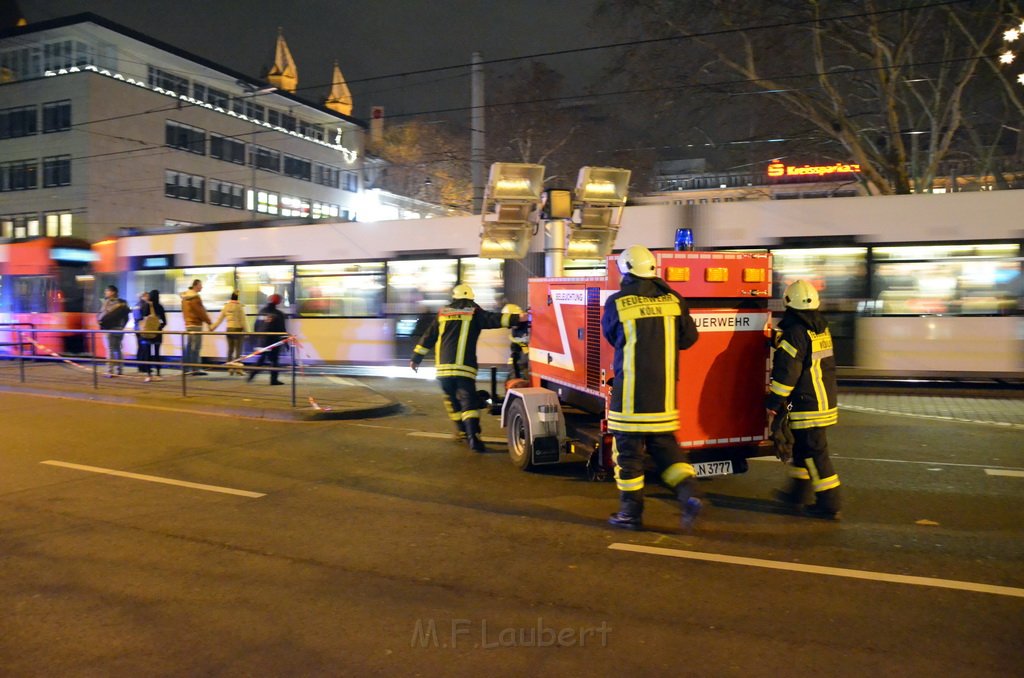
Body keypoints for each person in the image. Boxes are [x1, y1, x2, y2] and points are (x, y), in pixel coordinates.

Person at [602, 245, 700, 531]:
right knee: (666, 449)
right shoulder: (674, 300)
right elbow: (689, 338)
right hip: (664, 395)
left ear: (626, 271)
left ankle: (630, 514)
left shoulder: (618, 302)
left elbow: (611, 336)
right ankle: (689, 494)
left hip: (630, 393)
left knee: (628, 455)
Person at [410, 284, 522, 453]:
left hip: (443, 370)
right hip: (464, 368)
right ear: (471, 297)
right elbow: (494, 319)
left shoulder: (443, 313)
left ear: (454, 297)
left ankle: (462, 431)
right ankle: (473, 437)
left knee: (452, 401)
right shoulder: (473, 311)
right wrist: (518, 318)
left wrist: (415, 359)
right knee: (468, 402)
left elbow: (428, 336)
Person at [765, 279, 841, 520]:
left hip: (807, 404)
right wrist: (778, 339)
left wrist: (774, 401)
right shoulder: (819, 327)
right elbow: (805, 352)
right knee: (802, 450)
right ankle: (796, 494)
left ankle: (828, 503)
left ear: (788, 302)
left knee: (816, 455)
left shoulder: (795, 332)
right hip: (823, 401)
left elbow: (788, 372)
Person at [247, 293, 287, 385]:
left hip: (262, 340)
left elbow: (256, 325)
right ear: (278, 302)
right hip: (273, 340)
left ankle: (251, 375)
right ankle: (273, 379)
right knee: (274, 360)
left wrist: (257, 337)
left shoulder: (262, 311)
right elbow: (282, 329)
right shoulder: (278, 314)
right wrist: (285, 339)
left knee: (261, 359)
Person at [212, 291, 248, 375]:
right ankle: (238, 369)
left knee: (230, 350)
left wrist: (213, 327)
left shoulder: (226, 306)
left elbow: (219, 319)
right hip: (238, 330)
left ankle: (230, 369)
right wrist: (247, 331)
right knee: (238, 350)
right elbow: (243, 320)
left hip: (229, 329)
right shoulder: (239, 307)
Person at [96, 284, 129, 376]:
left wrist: (100, 323)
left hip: (109, 329)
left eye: (107, 291)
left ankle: (109, 371)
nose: (105, 292)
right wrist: (122, 327)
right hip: (119, 329)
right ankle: (120, 370)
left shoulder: (107, 302)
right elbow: (126, 317)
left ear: (112, 292)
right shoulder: (123, 303)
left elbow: (101, 315)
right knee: (118, 349)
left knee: (109, 349)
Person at [180, 279, 212, 375]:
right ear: (195, 285)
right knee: (196, 347)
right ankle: (196, 368)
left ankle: (186, 368)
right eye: (200, 285)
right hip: (196, 324)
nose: (201, 287)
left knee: (189, 347)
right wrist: (209, 322)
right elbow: (200, 311)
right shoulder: (195, 297)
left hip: (188, 324)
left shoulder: (185, 298)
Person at [502, 303, 530, 382]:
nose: (511, 326)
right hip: (526, 360)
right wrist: (514, 378)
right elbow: (515, 352)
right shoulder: (515, 332)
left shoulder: (530, 324)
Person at [132, 292, 154, 381]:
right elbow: (145, 317)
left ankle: (140, 366)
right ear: (143, 297)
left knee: (140, 347)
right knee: (144, 348)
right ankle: (144, 366)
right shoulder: (145, 305)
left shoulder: (136, 305)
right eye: (146, 296)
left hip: (137, 328)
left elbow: (136, 317)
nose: (148, 297)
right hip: (142, 328)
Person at [147, 289, 168, 380]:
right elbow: (164, 321)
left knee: (148, 353)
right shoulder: (160, 307)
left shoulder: (146, 306)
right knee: (157, 353)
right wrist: (159, 325)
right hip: (157, 333)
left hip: (147, 333)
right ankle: (158, 373)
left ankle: (148, 374)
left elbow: (142, 318)